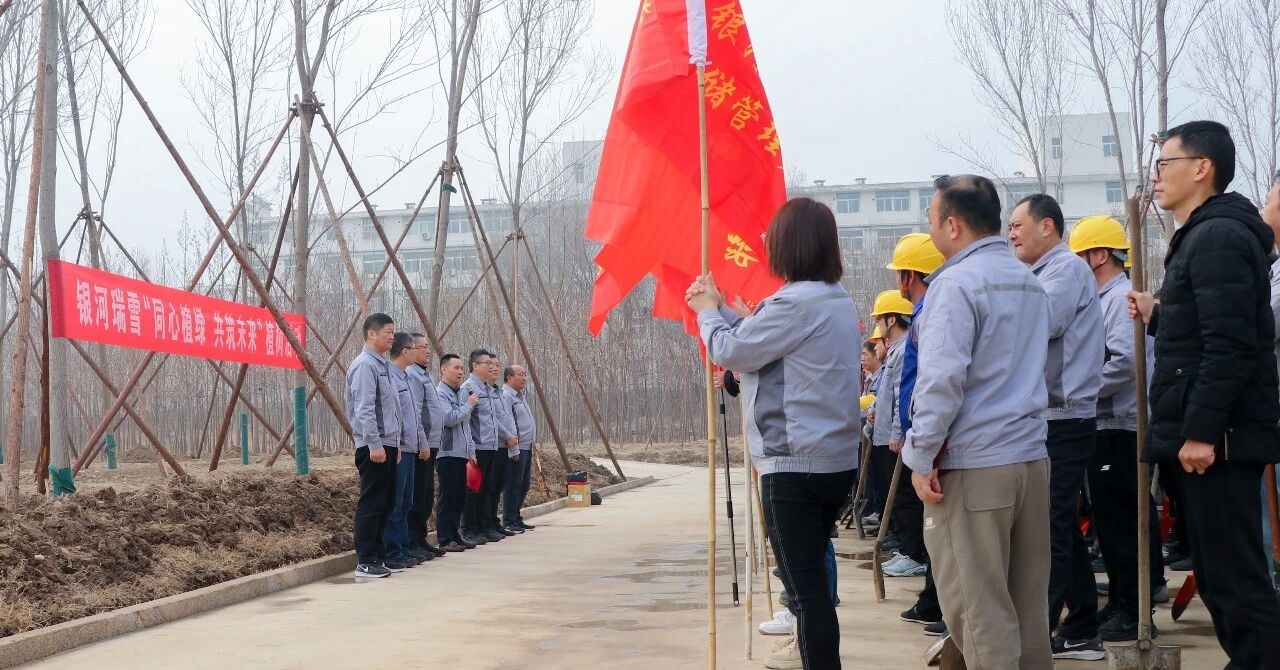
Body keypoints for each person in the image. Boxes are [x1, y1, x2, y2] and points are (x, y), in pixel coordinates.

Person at [1128, 121, 1280, 667]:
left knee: (1236, 581)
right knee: (1219, 578)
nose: (1156, 176)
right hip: (1210, 437)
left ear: (1202, 168)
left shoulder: (1217, 236)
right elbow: (1206, 329)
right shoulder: (1204, 235)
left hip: (1219, 442)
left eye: (1165, 164)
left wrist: (1200, 431)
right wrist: (1160, 315)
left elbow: (1232, 346)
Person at [688, 197, 861, 670]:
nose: (764, 242)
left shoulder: (794, 303)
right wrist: (723, 309)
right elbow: (761, 343)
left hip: (793, 466)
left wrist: (706, 312)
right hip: (834, 460)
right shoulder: (834, 300)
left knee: (806, 597)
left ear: (793, 244)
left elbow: (733, 351)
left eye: (772, 235)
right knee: (813, 588)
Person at [904, 174, 1053, 669]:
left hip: (975, 466)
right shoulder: (1027, 280)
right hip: (1029, 459)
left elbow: (942, 381)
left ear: (952, 224)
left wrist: (920, 454)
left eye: (930, 220)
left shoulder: (955, 284)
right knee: (1028, 607)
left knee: (979, 610)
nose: (930, 231)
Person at [1008, 192, 1105, 660]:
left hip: (1064, 416)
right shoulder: (1040, 273)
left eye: (1018, 225)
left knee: (1049, 527)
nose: (1011, 234)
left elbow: (1038, 323)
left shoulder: (1064, 270)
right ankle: (1084, 622)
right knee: (1058, 522)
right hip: (1049, 415)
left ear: (1047, 227)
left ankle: (1037, 635)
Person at [1065, 215, 1166, 642]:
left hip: (1119, 424)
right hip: (1106, 421)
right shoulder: (1102, 299)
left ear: (1100, 256)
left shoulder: (1118, 299)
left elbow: (1123, 362)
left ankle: (1133, 608)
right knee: (1113, 521)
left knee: (1122, 521)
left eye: (1080, 258)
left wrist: (1080, 392)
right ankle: (1125, 600)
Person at [885, 232, 946, 631]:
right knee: (934, 531)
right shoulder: (929, 310)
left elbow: (932, 383)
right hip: (922, 438)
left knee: (942, 534)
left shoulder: (932, 313)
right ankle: (933, 599)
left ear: (909, 276)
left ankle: (942, 606)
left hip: (935, 443)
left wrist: (922, 446)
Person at [869, 289, 927, 578]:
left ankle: (914, 553)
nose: (878, 326)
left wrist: (896, 431)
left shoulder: (905, 349)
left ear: (892, 319)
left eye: (880, 319)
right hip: (887, 435)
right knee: (900, 495)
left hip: (897, 438)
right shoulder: (898, 349)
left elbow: (901, 394)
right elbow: (886, 393)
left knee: (906, 496)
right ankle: (908, 548)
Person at [346, 313, 402, 579]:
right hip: (373, 446)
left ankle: (378, 556)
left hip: (388, 443)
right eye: (388, 332)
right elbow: (365, 409)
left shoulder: (384, 366)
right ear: (372, 334)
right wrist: (374, 444)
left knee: (386, 502)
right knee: (372, 502)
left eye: (392, 332)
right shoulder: (364, 365)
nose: (392, 337)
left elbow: (392, 408)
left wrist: (395, 443)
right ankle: (366, 560)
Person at [383, 333, 429, 568]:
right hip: (398, 448)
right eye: (414, 348)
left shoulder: (407, 378)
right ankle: (392, 552)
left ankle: (403, 547)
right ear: (405, 351)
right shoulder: (389, 376)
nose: (419, 352)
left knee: (407, 501)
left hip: (411, 448)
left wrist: (422, 441)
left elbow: (415, 416)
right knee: (396, 502)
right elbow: (392, 415)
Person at [462, 349, 514, 544]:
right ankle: (469, 528)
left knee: (486, 489)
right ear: (475, 366)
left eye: (494, 364)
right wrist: (469, 448)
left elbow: (493, 420)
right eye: (488, 364)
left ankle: (483, 526)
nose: (492, 367)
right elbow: (465, 420)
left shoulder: (487, 389)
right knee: (473, 490)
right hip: (477, 447)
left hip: (491, 446)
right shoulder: (468, 388)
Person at [406, 333, 446, 559]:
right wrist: (422, 440)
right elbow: (416, 413)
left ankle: (421, 539)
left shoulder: (425, 375)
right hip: (422, 444)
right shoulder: (411, 374)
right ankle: (412, 540)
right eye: (423, 347)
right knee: (417, 493)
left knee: (426, 493)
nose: (428, 351)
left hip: (431, 443)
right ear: (410, 349)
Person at [436, 353, 480, 552]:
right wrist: (469, 405)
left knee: (459, 496)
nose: (460, 372)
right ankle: (445, 538)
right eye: (456, 368)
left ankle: (456, 535)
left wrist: (471, 450)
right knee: (447, 497)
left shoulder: (461, 394)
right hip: (447, 453)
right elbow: (450, 418)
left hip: (461, 453)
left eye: (462, 369)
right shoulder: (440, 393)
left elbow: (466, 425)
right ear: (443, 369)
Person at [501, 365, 538, 533]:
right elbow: (508, 421)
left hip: (526, 446)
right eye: (521, 375)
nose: (524, 378)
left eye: (525, 375)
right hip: (516, 447)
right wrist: (514, 447)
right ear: (509, 377)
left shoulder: (519, 396)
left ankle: (516, 517)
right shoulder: (506, 396)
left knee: (523, 484)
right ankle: (509, 520)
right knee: (513, 484)